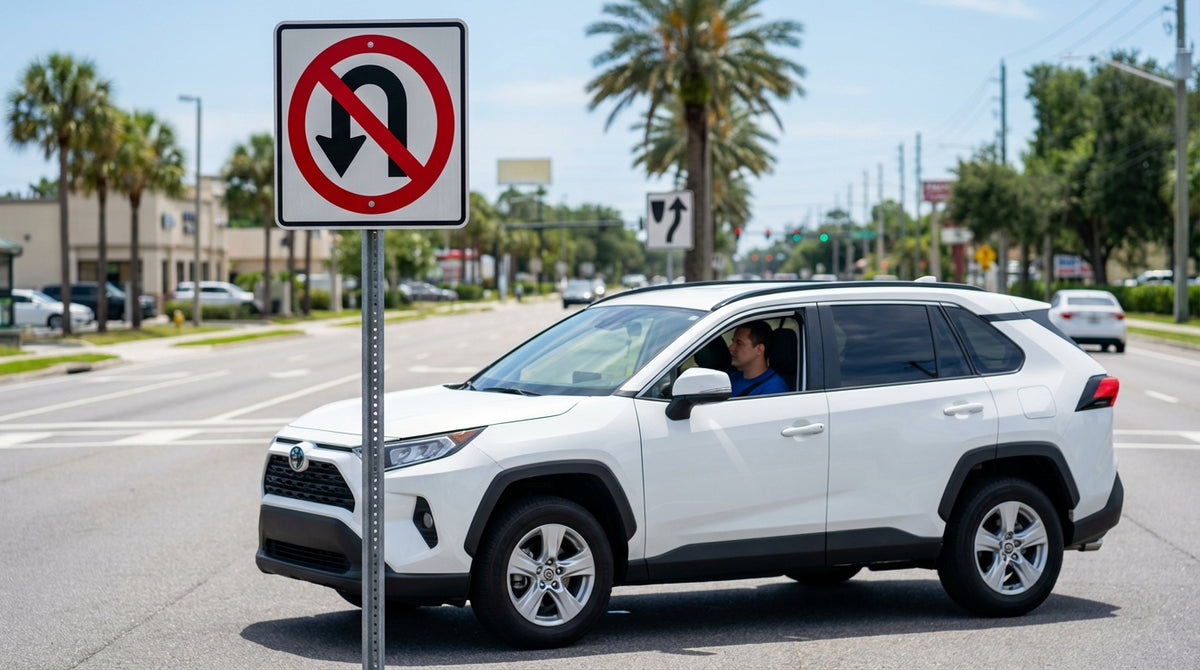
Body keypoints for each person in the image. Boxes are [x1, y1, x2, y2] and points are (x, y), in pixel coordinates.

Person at [727, 320, 789, 397]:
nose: (731, 348)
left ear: (759, 349)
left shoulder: (774, 390)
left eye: (739, 343)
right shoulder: (733, 377)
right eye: (733, 342)